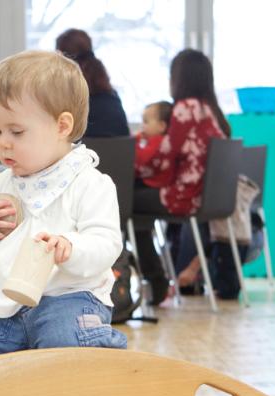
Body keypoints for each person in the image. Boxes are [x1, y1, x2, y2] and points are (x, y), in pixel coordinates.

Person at [0, 50, 127, 364]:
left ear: (62, 126)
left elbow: (106, 244)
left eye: (16, 132)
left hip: (69, 300)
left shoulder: (90, 183)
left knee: (65, 339)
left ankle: (96, 349)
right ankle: (29, 356)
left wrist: (70, 247)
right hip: (3, 305)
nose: (3, 142)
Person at [132, 49, 230, 303]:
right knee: (134, 202)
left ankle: (156, 281)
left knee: (124, 203)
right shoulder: (210, 110)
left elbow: (164, 157)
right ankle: (158, 280)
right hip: (206, 197)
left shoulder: (185, 109)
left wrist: (136, 156)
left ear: (180, 78)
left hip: (184, 196)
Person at [56, 29, 129, 138]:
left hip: (79, 147)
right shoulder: (111, 96)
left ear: (63, 55)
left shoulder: (68, 96)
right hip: (120, 148)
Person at [134, 101, 173, 188]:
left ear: (161, 126)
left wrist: (135, 141)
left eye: (146, 122)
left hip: (153, 184)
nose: (142, 125)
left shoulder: (159, 141)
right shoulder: (162, 141)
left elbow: (141, 158)